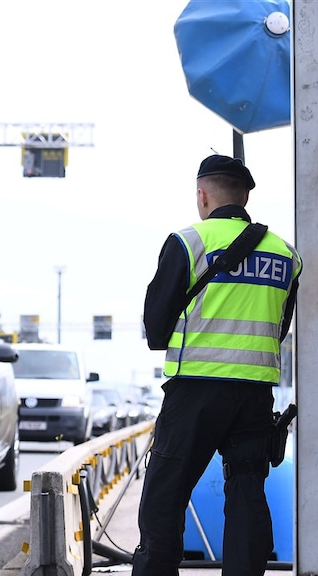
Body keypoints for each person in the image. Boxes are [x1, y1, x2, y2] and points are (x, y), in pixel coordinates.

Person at [133, 154, 302, 575]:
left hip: (195, 392)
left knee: (164, 497)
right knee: (247, 495)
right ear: (245, 197)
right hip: (255, 397)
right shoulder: (285, 255)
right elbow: (280, 328)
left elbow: (155, 329)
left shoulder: (188, 242)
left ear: (202, 195)